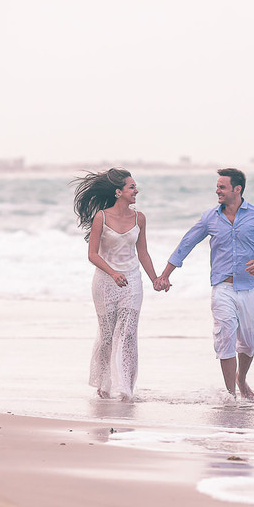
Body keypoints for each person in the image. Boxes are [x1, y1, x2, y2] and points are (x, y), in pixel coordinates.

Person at [158, 168, 254, 399]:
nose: (217, 190)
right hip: (222, 287)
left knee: (248, 341)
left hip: (250, 288)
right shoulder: (209, 218)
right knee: (224, 336)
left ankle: (241, 379)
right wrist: (165, 275)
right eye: (217, 186)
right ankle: (230, 394)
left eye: (222, 187)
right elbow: (186, 244)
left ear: (237, 189)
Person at [72, 168, 163, 400]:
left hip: (132, 279)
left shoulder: (139, 218)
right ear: (118, 192)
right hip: (105, 281)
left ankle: (125, 388)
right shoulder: (101, 217)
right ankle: (104, 384)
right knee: (108, 334)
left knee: (129, 333)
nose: (136, 191)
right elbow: (92, 254)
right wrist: (112, 273)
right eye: (132, 187)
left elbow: (143, 253)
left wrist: (155, 279)